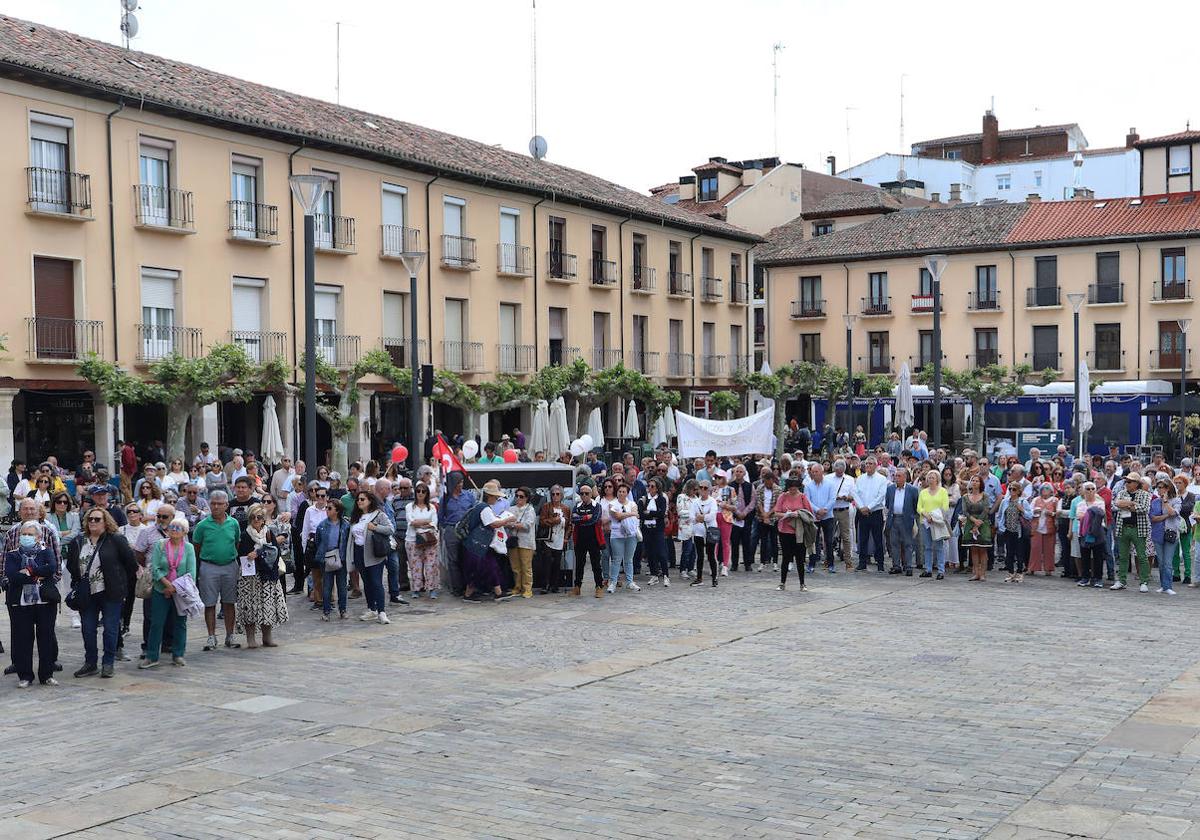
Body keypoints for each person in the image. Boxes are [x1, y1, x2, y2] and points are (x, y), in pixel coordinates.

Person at [66, 508, 137, 678]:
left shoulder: (116, 540)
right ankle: (90, 662)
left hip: (110, 593)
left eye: (97, 519)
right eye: (90, 519)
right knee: (88, 629)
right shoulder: (79, 541)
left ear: (106, 522)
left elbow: (131, 564)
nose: (92, 522)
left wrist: (119, 582)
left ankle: (108, 663)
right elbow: (71, 564)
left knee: (111, 629)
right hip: (87, 593)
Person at [5, 522, 59, 687]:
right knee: (23, 639)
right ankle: (25, 675)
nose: (26, 537)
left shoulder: (46, 551)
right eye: (24, 534)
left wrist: (28, 572)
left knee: (46, 638)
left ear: (38, 537)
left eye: (30, 534)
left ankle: (46, 674)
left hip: (44, 601)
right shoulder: (13, 555)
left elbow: (51, 568)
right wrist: (37, 574)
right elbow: (13, 575)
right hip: (21, 603)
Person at [138, 516, 194, 668]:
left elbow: (191, 572)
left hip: (180, 591)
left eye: (178, 528)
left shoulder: (189, 548)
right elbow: (154, 567)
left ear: (184, 532)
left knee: (180, 623)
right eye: (172, 527)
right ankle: (151, 656)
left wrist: (175, 588)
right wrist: (166, 585)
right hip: (160, 589)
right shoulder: (160, 545)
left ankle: (178, 654)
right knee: (156, 622)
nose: (174, 530)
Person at [191, 490, 243, 650]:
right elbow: (196, 548)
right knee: (210, 603)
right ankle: (211, 637)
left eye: (220, 503)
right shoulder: (202, 525)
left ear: (226, 505)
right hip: (209, 566)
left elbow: (236, 544)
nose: (216, 506)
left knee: (229, 602)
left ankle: (230, 636)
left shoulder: (233, 523)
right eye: (213, 503)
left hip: (230, 565)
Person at [234, 503, 290, 646]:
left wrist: (260, 553)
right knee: (250, 607)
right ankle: (250, 638)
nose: (256, 520)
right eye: (253, 517)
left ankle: (267, 637)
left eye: (259, 517)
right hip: (250, 578)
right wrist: (249, 555)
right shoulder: (245, 535)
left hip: (268, 575)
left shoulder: (269, 533)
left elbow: (276, 551)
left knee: (268, 606)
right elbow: (240, 555)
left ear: (264, 519)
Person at [349, 490, 396, 623]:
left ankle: (382, 611)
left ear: (370, 501)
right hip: (359, 552)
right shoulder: (356, 517)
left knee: (376, 582)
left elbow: (390, 529)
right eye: (358, 499)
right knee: (367, 583)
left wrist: (375, 527)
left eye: (362, 499)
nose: (359, 501)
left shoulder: (379, 514)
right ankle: (372, 609)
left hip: (374, 553)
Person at [1112, 472, 1151, 592]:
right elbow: (1116, 504)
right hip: (1123, 527)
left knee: (1141, 556)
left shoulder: (1145, 494)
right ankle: (1121, 581)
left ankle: (1144, 581)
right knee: (1123, 556)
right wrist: (1131, 504)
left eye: (1129, 481)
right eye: (1126, 481)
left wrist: (1125, 505)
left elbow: (1143, 509)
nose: (1126, 484)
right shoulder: (1122, 493)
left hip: (1138, 528)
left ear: (1136, 484)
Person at [774, 476, 813, 591]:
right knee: (786, 557)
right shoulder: (782, 496)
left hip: (799, 532)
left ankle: (802, 583)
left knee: (800, 558)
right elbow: (776, 512)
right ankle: (782, 582)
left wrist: (798, 514)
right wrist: (787, 514)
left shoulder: (802, 497)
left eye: (795, 488)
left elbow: (809, 513)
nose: (793, 490)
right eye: (791, 488)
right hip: (785, 531)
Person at [314, 496, 351, 620]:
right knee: (327, 586)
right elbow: (318, 541)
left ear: (337, 511)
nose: (327, 510)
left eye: (330, 508)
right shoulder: (322, 525)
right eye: (326, 508)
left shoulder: (345, 525)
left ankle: (343, 609)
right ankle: (326, 611)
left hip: (341, 558)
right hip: (327, 557)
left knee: (342, 585)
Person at [568, 483, 605, 598]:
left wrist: (582, 519)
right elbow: (573, 519)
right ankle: (577, 587)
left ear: (591, 494)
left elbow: (594, 520)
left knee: (596, 565)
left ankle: (599, 586)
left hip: (594, 539)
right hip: (580, 539)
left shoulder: (597, 506)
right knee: (579, 564)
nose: (584, 495)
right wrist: (585, 517)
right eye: (582, 493)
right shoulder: (577, 505)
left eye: (586, 493)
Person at [852, 456, 888, 573]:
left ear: (876, 465)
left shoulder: (882, 479)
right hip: (862, 512)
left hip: (875, 512)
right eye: (866, 464)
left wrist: (869, 507)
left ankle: (880, 563)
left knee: (878, 538)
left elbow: (881, 496)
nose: (868, 466)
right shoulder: (860, 478)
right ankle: (862, 562)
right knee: (862, 538)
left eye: (871, 464)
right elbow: (855, 494)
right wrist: (861, 507)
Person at [405, 482, 440, 598]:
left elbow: (434, 523)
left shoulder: (432, 507)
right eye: (418, 491)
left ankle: (432, 588)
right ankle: (416, 588)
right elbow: (412, 522)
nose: (420, 493)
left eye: (423, 491)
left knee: (431, 565)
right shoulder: (410, 506)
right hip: (413, 539)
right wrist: (426, 522)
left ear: (427, 493)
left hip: (429, 539)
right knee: (415, 566)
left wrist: (421, 523)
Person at [803, 463, 838, 574]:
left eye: (816, 471)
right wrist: (817, 510)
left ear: (822, 472)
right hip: (814, 517)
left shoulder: (830, 484)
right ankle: (811, 564)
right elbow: (807, 501)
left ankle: (831, 564)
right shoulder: (808, 486)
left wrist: (824, 510)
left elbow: (832, 499)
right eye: (812, 472)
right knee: (813, 541)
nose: (813, 474)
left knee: (828, 541)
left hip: (828, 516)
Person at [996, 481, 1033, 583]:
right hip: (1008, 530)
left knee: (1019, 552)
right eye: (1010, 489)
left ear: (1019, 491)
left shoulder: (1023, 502)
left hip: (1019, 531)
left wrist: (1022, 510)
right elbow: (999, 515)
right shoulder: (1005, 501)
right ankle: (1011, 572)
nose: (1012, 491)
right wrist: (1001, 526)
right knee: (1009, 552)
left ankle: (1020, 573)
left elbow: (1030, 515)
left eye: (1014, 489)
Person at [1075, 481, 1110, 589]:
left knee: (1098, 557)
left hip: (1097, 532)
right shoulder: (1080, 503)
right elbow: (1078, 516)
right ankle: (1085, 577)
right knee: (1085, 556)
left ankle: (1098, 578)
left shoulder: (1100, 502)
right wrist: (1091, 513)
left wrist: (1087, 515)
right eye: (1088, 489)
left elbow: (1100, 514)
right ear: (1084, 491)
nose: (1090, 491)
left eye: (1092, 489)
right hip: (1084, 532)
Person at [885, 468, 920, 575]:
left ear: (905, 477)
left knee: (908, 544)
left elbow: (915, 505)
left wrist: (911, 516)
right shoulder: (890, 489)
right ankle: (896, 565)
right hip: (893, 518)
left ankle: (908, 566)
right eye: (895, 476)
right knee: (894, 543)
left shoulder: (912, 490)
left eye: (899, 476)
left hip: (906, 519)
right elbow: (888, 503)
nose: (897, 478)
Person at [1149, 477, 1180, 596]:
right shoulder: (1155, 502)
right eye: (1158, 487)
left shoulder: (1176, 501)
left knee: (1167, 562)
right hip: (1158, 534)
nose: (1159, 490)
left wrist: (1166, 502)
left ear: (1168, 488)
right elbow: (1153, 518)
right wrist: (1166, 516)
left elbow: (1173, 513)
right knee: (1161, 562)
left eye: (1161, 487)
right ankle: (1163, 585)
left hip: (1171, 534)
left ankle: (1168, 586)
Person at [917, 469, 950, 579]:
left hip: (937, 521)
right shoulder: (923, 492)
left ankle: (941, 570)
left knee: (939, 546)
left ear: (937, 479)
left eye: (933, 477)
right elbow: (919, 507)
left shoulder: (943, 491)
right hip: (926, 521)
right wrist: (926, 515)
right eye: (929, 477)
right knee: (927, 546)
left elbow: (945, 506)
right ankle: (928, 569)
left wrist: (935, 516)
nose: (930, 479)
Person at [607, 483, 640, 595]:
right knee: (616, 559)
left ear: (627, 493)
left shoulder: (632, 503)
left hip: (631, 535)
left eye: (624, 491)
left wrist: (626, 514)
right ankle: (613, 582)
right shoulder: (612, 504)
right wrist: (630, 514)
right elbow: (617, 516)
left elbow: (637, 515)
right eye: (620, 491)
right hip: (617, 535)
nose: (621, 493)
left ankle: (630, 581)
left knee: (629, 559)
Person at [689, 481, 721, 587]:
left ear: (709, 489)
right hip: (698, 531)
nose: (703, 490)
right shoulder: (695, 502)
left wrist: (702, 517)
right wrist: (700, 518)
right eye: (701, 487)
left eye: (705, 488)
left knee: (711, 555)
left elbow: (712, 515)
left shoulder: (712, 501)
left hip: (710, 531)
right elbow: (691, 517)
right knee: (700, 555)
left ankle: (714, 577)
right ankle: (699, 578)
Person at [537, 485, 569, 594]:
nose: (555, 496)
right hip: (548, 539)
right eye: (553, 494)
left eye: (558, 494)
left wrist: (566, 538)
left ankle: (554, 585)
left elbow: (569, 525)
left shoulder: (566, 509)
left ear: (561, 495)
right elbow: (542, 521)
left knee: (557, 563)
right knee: (547, 563)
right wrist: (554, 520)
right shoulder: (546, 506)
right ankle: (544, 585)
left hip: (560, 539)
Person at [960, 475, 992, 581]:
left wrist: (978, 522)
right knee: (973, 549)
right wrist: (973, 521)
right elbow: (965, 511)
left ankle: (983, 573)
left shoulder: (985, 496)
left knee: (982, 549)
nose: (974, 482)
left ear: (980, 483)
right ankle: (976, 573)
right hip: (970, 522)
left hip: (983, 523)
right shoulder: (965, 497)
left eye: (977, 481)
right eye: (972, 480)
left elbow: (986, 509)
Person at [507, 487, 537, 598]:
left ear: (527, 498)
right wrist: (515, 524)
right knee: (515, 567)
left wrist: (513, 524)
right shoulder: (511, 509)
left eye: (521, 496)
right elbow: (506, 522)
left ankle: (527, 589)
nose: (518, 498)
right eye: (517, 496)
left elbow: (526, 525)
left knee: (526, 567)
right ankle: (517, 587)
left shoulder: (530, 509)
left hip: (526, 542)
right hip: (514, 541)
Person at [640, 478, 669, 587]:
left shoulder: (661, 499)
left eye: (652, 486)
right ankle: (654, 574)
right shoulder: (644, 499)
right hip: (647, 529)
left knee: (661, 552)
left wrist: (650, 513)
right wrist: (653, 514)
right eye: (649, 486)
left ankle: (666, 575)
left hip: (658, 529)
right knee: (650, 552)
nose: (650, 488)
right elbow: (641, 514)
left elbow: (661, 514)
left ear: (657, 488)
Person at [752, 469, 779, 573]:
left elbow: (777, 504)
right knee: (763, 541)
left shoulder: (778, 489)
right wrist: (764, 515)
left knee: (774, 541)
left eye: (768, 482)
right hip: (761, 517)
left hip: (773, 518)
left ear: (772, 480)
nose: (767, 484)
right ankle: (762, 562)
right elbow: (758, 502)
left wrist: (768, 514)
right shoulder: (760, 488)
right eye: (765, 481)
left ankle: (775, 562)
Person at [1029, 483, 1059, 576]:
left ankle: (1048, 569)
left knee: (1049, 549)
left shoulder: (1055, 500)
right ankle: (1032, 568)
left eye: (1047, 489)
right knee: (1035, 548)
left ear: (1051, 491)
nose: (1044, 490)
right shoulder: (1036, 499)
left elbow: (1058, 513)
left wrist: (1052, 514)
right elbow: (1029, 511)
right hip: (1036, 527)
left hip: (1049, 527)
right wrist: (1035, 511)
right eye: (1042, 489)